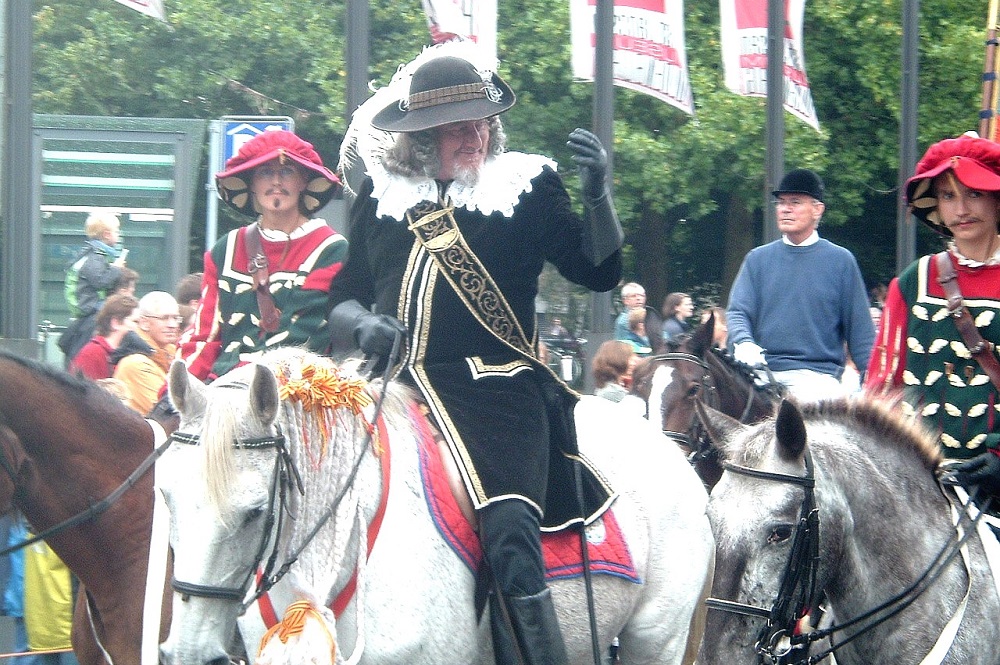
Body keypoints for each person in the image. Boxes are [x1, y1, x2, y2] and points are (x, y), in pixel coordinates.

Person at [327, 44, 623, 665]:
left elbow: (598, 271)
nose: (475, 135)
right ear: (421, 137)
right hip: (394, 387)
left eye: (480, 122)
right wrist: (362, 326)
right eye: (458, 126)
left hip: (498, 391)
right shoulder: (380, 196)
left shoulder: (526, 186)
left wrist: (598, 197)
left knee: (510, 531)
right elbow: (344, 298)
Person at [864, 133, 1000, 498]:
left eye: (974, 193)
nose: (960, 208)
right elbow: (882, 386)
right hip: (919, 485)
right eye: (947, 195)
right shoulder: (913, 281)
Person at [178, 130, 347, 382]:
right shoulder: (226, 248)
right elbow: (205, 335)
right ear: (252, 184)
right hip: (221, 387)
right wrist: (179, 392)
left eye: (287, 172)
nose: (276, 182)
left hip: (295, 392)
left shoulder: (330, 248)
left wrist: (239, 381)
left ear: (303, 181)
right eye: (265, 173)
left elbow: (302, 334)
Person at [726, 168, 875, 402]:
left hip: (817, 379)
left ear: (818, 209)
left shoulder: (841, 261)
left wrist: (873, 384)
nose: (785, 208)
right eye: (781, 202)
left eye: (795, 202)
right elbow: (737, 311)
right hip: (761, 374)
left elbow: (861, 333)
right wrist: (743, 341)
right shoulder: (757, 259)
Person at [57, 212, 128, 367]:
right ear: (107, 234)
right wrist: (116, 269)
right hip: (90, 306)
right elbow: (100, 281)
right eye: (117, 231)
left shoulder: (91, 253)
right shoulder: (95, 256)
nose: (118, 235)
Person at [113, 291, 180, 415]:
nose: (173, 325)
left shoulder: (170, 353)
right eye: (164, 318)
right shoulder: (135, 364)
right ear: (144, 323)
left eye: (176, 318)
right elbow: (169, 412)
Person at [67, 293, 144, 380]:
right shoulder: (92, 354)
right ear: (115, 323)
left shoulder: (127, 353)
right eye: (135, 321)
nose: (139, 327)